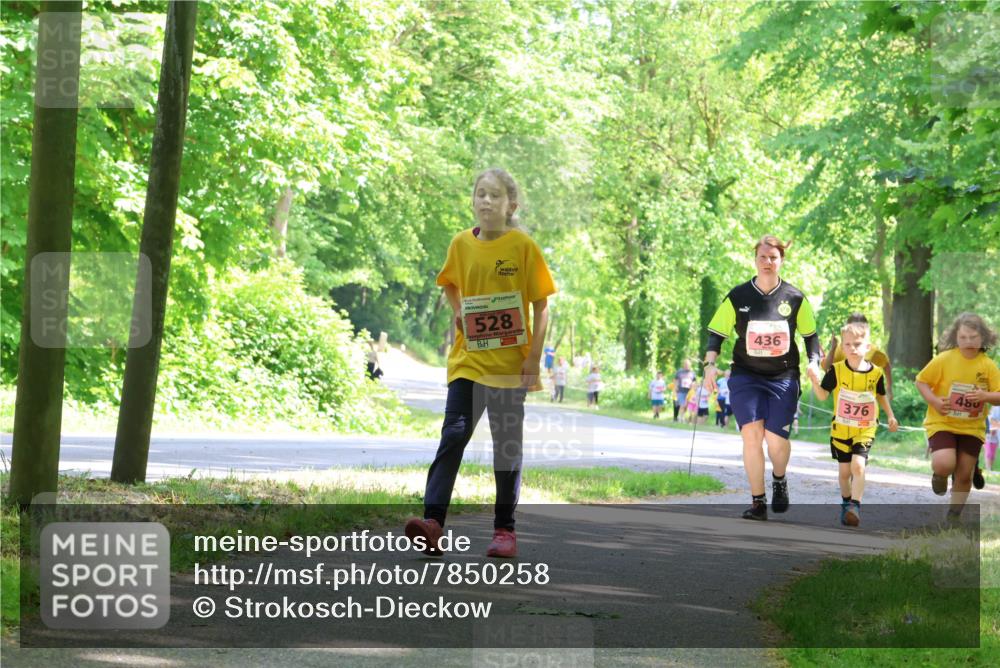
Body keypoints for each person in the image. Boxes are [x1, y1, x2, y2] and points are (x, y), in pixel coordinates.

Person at [405, 168, 556, 559]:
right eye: (480, 194)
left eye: (494, 196)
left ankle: (505, 529)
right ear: (472, 200)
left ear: (511, 206)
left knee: (506, 448)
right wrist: (458, 312)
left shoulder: (522, 246)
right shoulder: (460, 244)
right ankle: (432, 522)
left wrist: (534, 359)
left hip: (509, 366)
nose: (486, 201)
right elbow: (450, 283)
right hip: (467, 361)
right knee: (453, 434)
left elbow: (541, 307)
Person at [703, 234, 822, 521]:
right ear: (755, 259)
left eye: (773, 257)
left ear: (781, 261)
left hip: (783, 376)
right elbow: (716, 334)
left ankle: (779, 479)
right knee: (752, 436)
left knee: (776, 440)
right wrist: (709, 364)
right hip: (746, 375)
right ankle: (758, 502)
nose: (768, 262)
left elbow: (810, 337)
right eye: (763, 257)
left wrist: (815, 362)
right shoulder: (738, 296)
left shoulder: (795, 298)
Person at [806, 322, 898, 526]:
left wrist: (890, 416)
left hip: (865, 428)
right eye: (847, 345)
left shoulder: (876, 373)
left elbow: (881, 395)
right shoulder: (837, 371)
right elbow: (822, 396)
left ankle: (855, 506)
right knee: (844, 473)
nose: (852, 348)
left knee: (858, 465)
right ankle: (846, 503)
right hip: (841, 429)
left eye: (857, 344)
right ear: (842, 348)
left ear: (868, 347)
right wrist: (814, 380)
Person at [915, 312, 1000, 520]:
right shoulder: (945, 359)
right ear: (955, 337)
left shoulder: (987, 365)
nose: (968, 342)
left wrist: (985, 396)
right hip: (943, 422)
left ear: (983, 338)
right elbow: (921, 381)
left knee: (963, 475)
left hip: (972, 427)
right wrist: (934, 401)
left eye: (973, 337)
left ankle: (953, 516)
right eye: (963, 338)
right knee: (945, 463)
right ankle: (940, 474)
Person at [821, 313, 893, 398]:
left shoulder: (872, 350)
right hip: (845, 399)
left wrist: (889, 388)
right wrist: (833, 349)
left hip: (865, 399)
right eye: (853, 328)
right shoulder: (841, 349)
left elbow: (886, 365)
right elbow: (826, 368)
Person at [986, 404, 1000, 471]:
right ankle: (989, 468)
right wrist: (993, 428)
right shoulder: (996, 407)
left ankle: (989, 468)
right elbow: (992, 419)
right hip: (992, 433)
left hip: (995, 431)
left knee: (991, 452)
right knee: (990, 452)